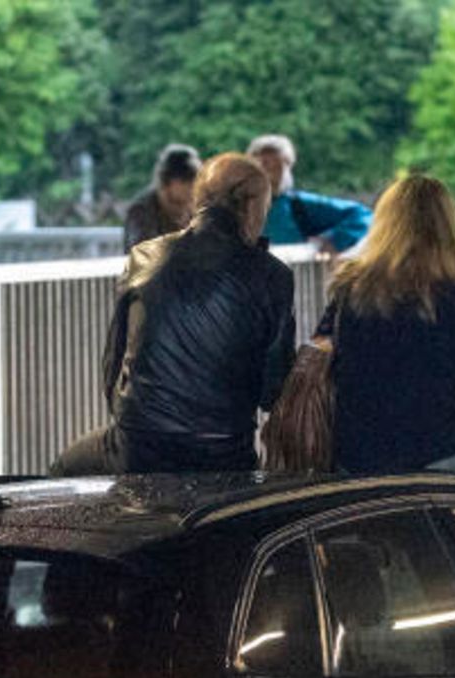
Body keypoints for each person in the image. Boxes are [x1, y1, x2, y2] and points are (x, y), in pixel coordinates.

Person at [52, 153, 295, 475]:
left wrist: (136, 426)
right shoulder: (273, 276)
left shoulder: (144, 257)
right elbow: (273, 391)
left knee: (61, 470)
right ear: (251, 207)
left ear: (198, 202)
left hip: (137, 449)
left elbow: (113, 362)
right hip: (223, 456)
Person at [314, 175, 455, 491]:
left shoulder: (347, 294)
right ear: (451, 230)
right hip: (447, 460)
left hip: (359, 466)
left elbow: (320, 364)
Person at [247, 134, 371, 254]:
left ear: (288, 166)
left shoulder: (299, 205)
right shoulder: (236, 208)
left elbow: (361, 215)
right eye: (259, 162)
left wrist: (334, 242)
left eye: (273, 163)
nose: (264, 169)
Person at [123, 144, 202, 252]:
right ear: (169, 182)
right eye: (187, 181)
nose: (193, 188)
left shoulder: (199, 208)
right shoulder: (141, 211)